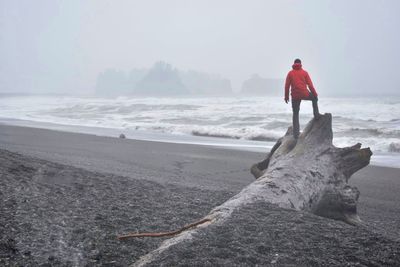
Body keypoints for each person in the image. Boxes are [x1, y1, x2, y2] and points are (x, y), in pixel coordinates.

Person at [285, 58, 320, 139]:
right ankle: (316, 115)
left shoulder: (290, 73)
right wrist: (315, 94)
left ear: (294, 64)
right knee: (314, 99)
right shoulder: (304, 73)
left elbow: (287, 86)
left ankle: (296, 134)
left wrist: (286, 96)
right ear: (301, 64)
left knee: (295, 114)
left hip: (295, 95)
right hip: (304, 93)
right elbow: (310, 85)